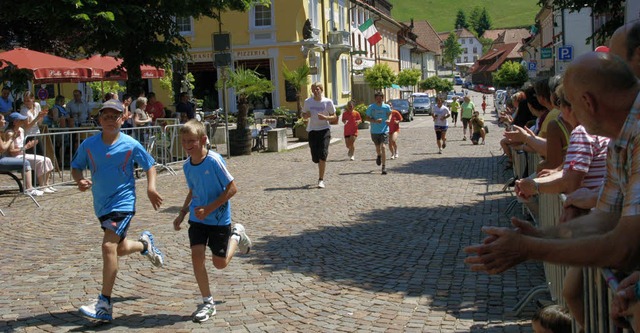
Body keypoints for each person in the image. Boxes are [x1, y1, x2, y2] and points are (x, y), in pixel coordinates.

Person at [463, 52, 640, 276]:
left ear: (587, 102)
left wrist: (528, 247)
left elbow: (625, 246)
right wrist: (541, 236)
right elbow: (606, 217)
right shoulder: (619, 138)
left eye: (570, 105)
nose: (565, 116)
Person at [71, 99, 164, 322]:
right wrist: (80, 180)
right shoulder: (89, 145)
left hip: (123, 204)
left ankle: (104, 304)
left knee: (108, 246)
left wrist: (151, 188)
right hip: (101, 205)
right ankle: (145, 244)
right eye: (106, 117)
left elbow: (149, 165)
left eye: (115, 116)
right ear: (99, 120)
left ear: (122, 119)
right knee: (119, 248)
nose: (110, 120)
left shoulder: (130, 144)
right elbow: (76, 167)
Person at [172, 119, 252, 323]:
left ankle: (236, 235)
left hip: (218, 219)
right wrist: (182, 213)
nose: (188, 146)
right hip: (197, 220)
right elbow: (193, 189)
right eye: (184, 142)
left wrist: (208, 208)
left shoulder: (214, 161)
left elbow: (232, 188)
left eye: (192, 141)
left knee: (220, 264)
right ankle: (208, 302)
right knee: (196, 256)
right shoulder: (187, 166)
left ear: (203, 139)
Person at [6, 112, 55, 193]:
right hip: (16, 156)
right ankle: (42, 186)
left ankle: (46, 184)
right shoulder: (10, 133)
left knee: (47, 159)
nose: (24, 121)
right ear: (15, 122)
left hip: (22, 154)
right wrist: (26, 147)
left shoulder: (21, 130)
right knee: (41, 160)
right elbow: (12, 152)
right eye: (21, 120)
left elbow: (28, 127)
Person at [302, 82, 337, 188]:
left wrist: (326, 118)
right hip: (312, 130)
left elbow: (334, 117)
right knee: (315, 157)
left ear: (321, 90)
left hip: (324, 130)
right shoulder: (308, 102)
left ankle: (321, 179)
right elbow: (303, 115)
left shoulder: (328, 102)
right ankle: (317, 160)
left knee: (323, 154)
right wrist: (306, 115)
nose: (316, 91)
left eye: (317, 89)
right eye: (314, 89)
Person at [0, 113, 42, 196]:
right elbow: (3, 148)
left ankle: (34, 187)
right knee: (25, 163)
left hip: (3, 157)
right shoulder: (9, 132)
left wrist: (13, 138)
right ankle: (29, 189)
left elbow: (3, 145)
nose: (4, 121)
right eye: (2, 119)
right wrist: (13, 139)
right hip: (1, 159)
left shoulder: (17, 131)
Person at [365, 91, 392, 174]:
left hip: (384, 130)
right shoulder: (371, 107)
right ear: (375, 99)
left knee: (383, 147)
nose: (379, 100)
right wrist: (375, 121)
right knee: (377, 148)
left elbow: (390, 113)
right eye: (377, 98)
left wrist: (389, 120)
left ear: (382, 98)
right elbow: (366, 118)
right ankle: (379, 155)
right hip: (374, 131)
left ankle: (384, 167)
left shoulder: (386, 106)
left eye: (380, 98)